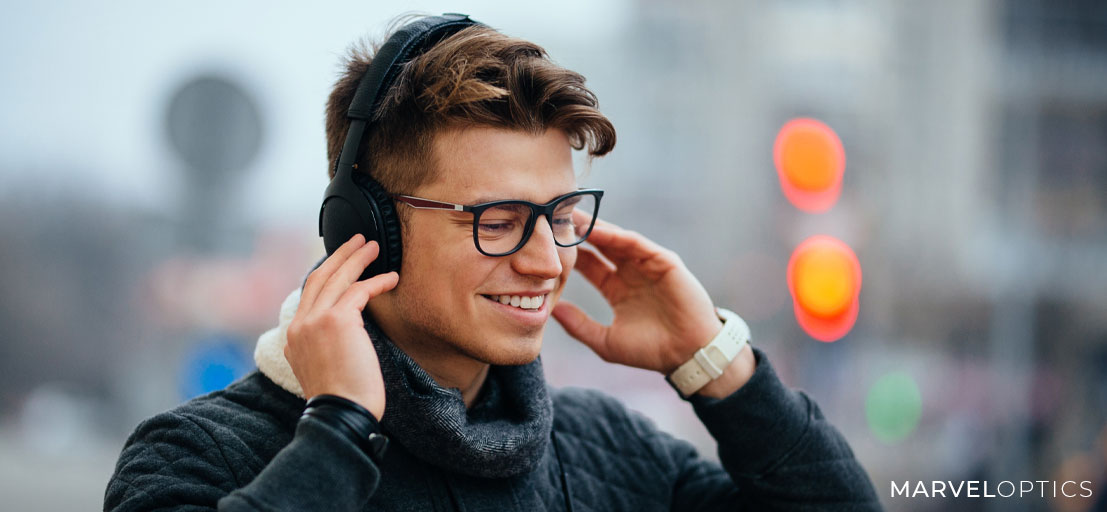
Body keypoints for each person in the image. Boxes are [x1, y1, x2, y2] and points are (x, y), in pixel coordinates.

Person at [105, 13, 880, 511]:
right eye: (500, 222)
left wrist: (717, 362)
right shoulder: (199, 457)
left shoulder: (611, 452)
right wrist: (336, 431)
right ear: (365, 227)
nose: (548, 262)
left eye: (560, 217)